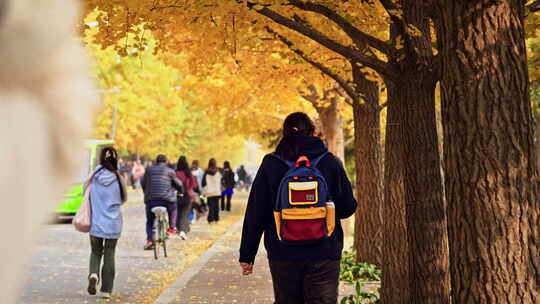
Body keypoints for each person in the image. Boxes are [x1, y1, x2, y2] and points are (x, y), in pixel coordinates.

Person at [239, 112, 357, 304]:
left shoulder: (271, 164)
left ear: (284, 134)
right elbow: (347, 208)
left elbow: (256, 212)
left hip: (282, 251)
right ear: (312, 132)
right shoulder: (329, 162)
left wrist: (247, 255)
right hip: (324, 251)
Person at [87, 147, 127, 299]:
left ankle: (93, 274)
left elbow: (86, 192)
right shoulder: (118, 178)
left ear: (101, 158)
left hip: (96, 221)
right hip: (113, 223)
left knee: (95, 252)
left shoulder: (93, 176)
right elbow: (124, 199)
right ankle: (106, 290)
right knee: (110, 254)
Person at [141, 154, 184, 250]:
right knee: (173, 208)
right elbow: (179, 184)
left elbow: (143, 182)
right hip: (167, 200)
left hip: (151, 200)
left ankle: (149, 240)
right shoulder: (170, 171)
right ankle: (172, 227)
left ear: (156, 161)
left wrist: (146, 191)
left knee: (150, 221)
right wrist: (181, 192)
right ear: (166, 162)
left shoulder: (148, 170)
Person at [176, 156, 198, 240]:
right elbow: (194, 185)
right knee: (184, 214)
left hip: (178, 195)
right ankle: (183, 230)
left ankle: (181, 229)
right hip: (188, 195)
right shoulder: (189, 173)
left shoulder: (176, 173)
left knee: (178, 213)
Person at [202, 158, 222, 224]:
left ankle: (211, 220)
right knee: (216, 206)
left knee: (211, 206)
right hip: (217, 191)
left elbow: (203, 183)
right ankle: (217, 219)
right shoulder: (218, 171)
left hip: (209, 191)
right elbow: (220, 181)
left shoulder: (206, 172)